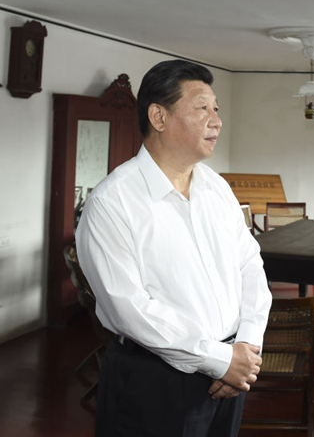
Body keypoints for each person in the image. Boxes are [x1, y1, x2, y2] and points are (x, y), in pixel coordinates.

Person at [76, 60, 273, 437]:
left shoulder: (216, 188)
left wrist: (246, 347)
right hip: (155, 380)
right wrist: (220, 359)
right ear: (159, 117)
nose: (216, 120)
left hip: (231, 373)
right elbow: (127, 308)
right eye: (202, 108)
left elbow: (249, 265)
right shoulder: (113, 202)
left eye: (216, 108)